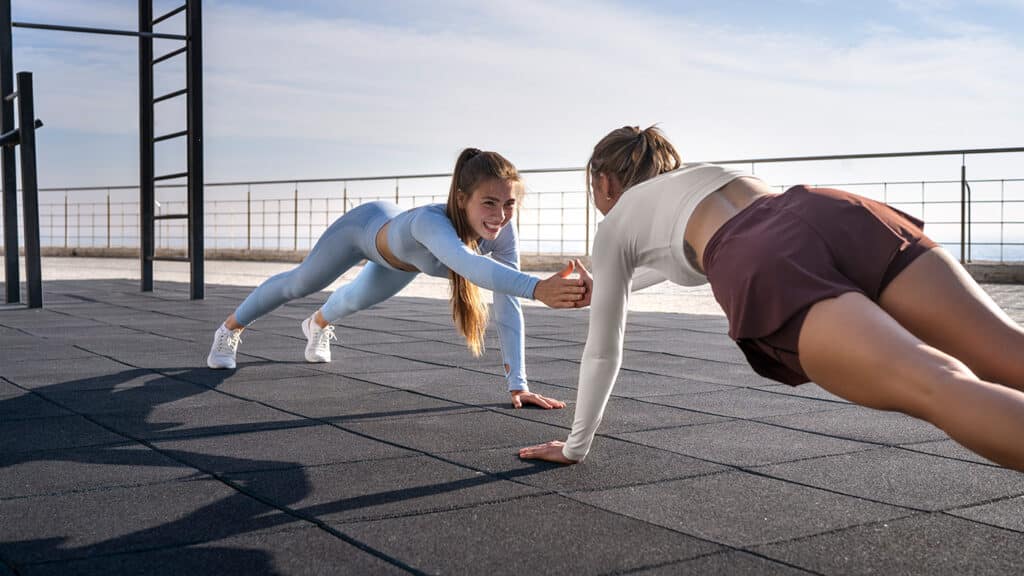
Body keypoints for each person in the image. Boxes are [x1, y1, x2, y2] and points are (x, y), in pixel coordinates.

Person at [519, 125, 1024, 470]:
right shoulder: (699, 177)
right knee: (1005, 348)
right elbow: (670, 261)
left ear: (603, 181)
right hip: (826, 209)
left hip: (759, 256)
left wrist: (576, 445)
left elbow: (604, 350)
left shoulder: (618, 222)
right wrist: (610, 286)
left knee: (937, 384)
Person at [207, 148, 587, 409]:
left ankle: (317, 324)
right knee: (300, 284)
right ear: (460, 199)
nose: (501, 215)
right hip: (362, 231)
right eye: (489, 202)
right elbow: (470, 267)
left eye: (509, 204)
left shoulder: (502, 230)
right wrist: (538, 287)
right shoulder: (430, 222)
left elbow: (506, 299)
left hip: (400, 263)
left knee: (355, 299)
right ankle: (230, 329)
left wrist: (517, 383)